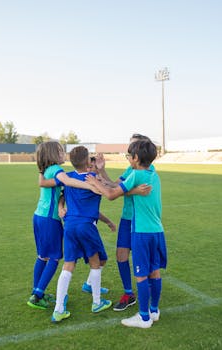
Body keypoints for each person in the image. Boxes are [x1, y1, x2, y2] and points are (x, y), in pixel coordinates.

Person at [87, 139, 166, 329]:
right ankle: (154, 311)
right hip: (157, 231)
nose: (128, 159)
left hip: (141, 232)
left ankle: (144, 318)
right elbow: (120, 187)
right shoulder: (152, 174)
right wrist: (133, 190)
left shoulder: (136, 174)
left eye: (129, 156)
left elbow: (112, 194)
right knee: (154, 271)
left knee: (141, 274)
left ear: (136, 158)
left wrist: (94, 181)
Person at [28, 141, 98, 310]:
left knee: (42, 256)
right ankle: (37, 295)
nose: (63, 154)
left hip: (38, 216)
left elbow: (46, 182)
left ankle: (37, 292)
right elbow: (68, 181)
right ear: (53, 154)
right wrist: (90, 186)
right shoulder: (57, 171)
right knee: (54, 257)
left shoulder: (46, 170)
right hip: (49, 220)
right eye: (60, 151)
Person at [51, 146, 113, 322]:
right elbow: (113, 188)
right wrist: (101, 170)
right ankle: (96, 302)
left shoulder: (68, 176)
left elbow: (62, 193)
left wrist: (60, 205)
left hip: (69, 225)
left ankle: (59, 309)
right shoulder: (93, 179)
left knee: (68, 265)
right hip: (86, 226)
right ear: (87, 162)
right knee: (95, 262)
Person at [93, 134, 153, 312]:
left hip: (141, 220)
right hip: (127, 218)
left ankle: (149, 290)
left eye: (132, 148)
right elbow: (114, 185)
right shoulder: (130, 170)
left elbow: (115, 192)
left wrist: (129, 190)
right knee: (121, 255)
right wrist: (102, 170)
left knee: (144, 259)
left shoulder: (147, 169)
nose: (129, 152)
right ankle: (129, 294)